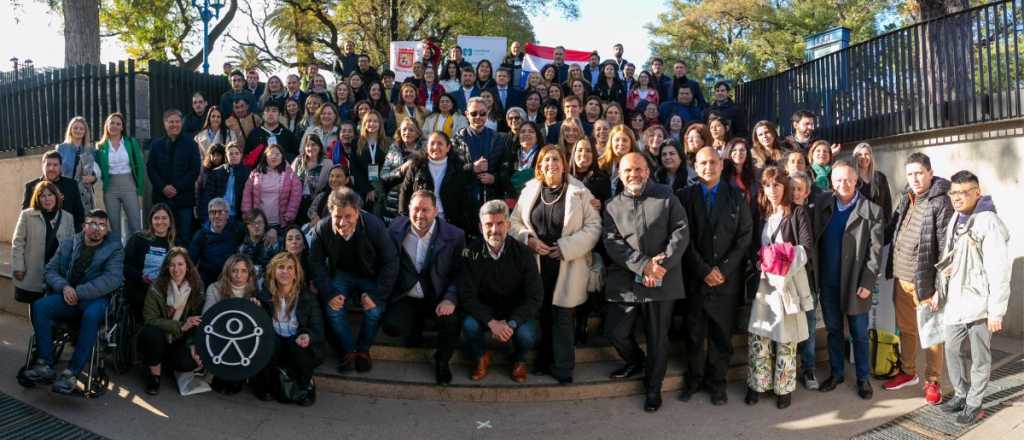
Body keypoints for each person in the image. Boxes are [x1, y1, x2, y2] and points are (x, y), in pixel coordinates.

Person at [603, 152, 690, 412]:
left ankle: (653, 389)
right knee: (615, 332)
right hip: (628, 279)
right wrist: (644, 265)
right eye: (628, 170)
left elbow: (681, 231)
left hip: (663, 279)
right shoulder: (611, 205)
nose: (634, 174)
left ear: (648, 171)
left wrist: (659, 266)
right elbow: (612, 242)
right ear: (620, 175)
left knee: (657, 338)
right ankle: (637, 361)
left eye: (639, 169)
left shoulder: (666, 196)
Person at [510, 146, 601, 383]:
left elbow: (594, 227)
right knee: (542, 314)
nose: (552, 164)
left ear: (564, 164)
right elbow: (514, 222)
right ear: (539, 165)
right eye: (546, 160)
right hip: (537, 262)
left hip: (567, 262)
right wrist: (528, 240)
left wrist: (566, 247)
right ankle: (543, 361)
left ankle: (563, 367)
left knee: (562, 316)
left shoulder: (580, 192)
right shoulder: (529, 190)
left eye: (556, 160)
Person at [677, 146, 753, 406]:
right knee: (695, 334)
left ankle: (717, 384)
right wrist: (703, 270)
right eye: (702, 163)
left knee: (722, 336)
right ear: (695, 167)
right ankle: (694, 380)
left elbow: (744, 238)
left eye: (713, 162)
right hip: (695, 278)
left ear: (722, 165)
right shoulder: (684, 197)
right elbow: (681, 238)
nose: (708, 167)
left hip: (726, 280)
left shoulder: (737, 196)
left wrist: (723, 269)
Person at [22, 210, 124, 395]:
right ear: (84, 226)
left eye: (102, 225)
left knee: (92, 315)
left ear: (107, 230)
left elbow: (112, 279)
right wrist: (64, 287)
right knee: (40, 307)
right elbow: (50, 270)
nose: (97, 229)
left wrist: (78, 292)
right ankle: (45, 363)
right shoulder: (69, 243)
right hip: (67, 296)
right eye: (92, 223)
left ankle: (72, 373)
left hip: (94, 299)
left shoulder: (114, 249)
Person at [938, 171, 1010, 425]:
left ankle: (975, 403)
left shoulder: (987, 221)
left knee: (980, 356)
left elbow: (999, 268)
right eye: (953, 193)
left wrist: (996, 312)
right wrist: (947, 273)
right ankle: (961, 393)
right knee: (952, 349)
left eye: (963, 192)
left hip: (980, 303)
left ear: (977, 193)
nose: (957, 198)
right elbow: (956, 254)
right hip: (957, 300)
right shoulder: (956, 218)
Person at [883, 152, 953, 404]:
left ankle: (933, 381)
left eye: (919, 173)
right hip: (902, 277)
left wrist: (938, 287)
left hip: (925, 281)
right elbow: (892, 229)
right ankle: (908, 371)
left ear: (930, 173)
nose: (914, 178)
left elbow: (947, 246)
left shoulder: (940, 202)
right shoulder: (906, 197)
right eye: (910, 174)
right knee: (907, 329)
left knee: (932, 333)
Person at [744, 167, 814, 409]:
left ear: (784, 186)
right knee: (759, 336)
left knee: (786, 339)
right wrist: (761, 259)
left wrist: (779, 259)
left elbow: (806, 247)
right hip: (764, 284)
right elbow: (752, 244)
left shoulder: (797, 213)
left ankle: (784, 388)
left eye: (777, 185)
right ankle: (757, 384)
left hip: (787, 283)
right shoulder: (760, 213)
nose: (772, 190)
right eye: (767, 185)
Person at [813, 161, 884, 400]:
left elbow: (874, 253)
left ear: (856, 181)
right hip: (828, 280)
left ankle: (863, 377)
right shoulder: (823, 205)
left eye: (847, 179)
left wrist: (867, 282)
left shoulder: (872, 211)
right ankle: (837, 373)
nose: (843, 184)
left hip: (855, 282)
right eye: (838, 180)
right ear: (831, 182)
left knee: (859, 332)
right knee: (833, 330)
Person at [309, 188, 399, 373]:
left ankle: (363, 351)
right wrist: (329, 292)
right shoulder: (322, 229)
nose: (343, 222)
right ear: (330, 213)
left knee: (374, 311)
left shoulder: (374, 226)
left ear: (357, 213)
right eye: (338, 216)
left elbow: (391, 262)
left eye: (348, 216)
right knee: (333, 310)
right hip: (342, 273)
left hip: (370, 275)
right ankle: (349, 350)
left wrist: (376, 294)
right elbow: (315, 263)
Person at [383, 190, 466, 384]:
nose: (420, 215)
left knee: (451, 322)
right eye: (416, 209)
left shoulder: (455, 235)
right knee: (391, 326)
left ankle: (442, 361)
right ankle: (415, 326)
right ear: (408, 210)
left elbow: (461, 273)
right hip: (407, 294)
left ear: (436, 211)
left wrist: (450, 298)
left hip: (438, 296)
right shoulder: (395, 229)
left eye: (426, 210)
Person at [459, 200, 544, 383]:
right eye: (489, 224)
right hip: (485, 312)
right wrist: (491, 322)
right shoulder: (470, 252)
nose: (494, 230)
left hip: (515, 313)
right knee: (468, 325)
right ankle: (481, 356)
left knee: (528, 335)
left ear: (509, 225)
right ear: (480, 227)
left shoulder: (524, 254)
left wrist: (512, 323)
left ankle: (519, 359)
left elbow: (535, 297)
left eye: (500, 224)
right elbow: (466, 295)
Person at [253, 252, 325, 406]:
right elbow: (258, 326)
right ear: (273, 271)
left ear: (296, 274)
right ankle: (266, 384)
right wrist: (256, 309)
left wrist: (307, 335)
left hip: (296, 343)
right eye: (281, 267)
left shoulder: (307, 296)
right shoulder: (263, 295)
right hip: (275, 343)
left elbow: (318, 329)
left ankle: (306, 385)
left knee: (300, 346)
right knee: (269, 344)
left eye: (290, 268)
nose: (285, 271)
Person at [137, 247, 204, 395]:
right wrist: (180, 326)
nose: (176, 269)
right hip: (159, 336)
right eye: (172, 265)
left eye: (180, 264)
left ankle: (165, 363)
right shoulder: (157, 287)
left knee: (188, 362)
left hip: (180, 340)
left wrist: (194, 344)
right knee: (151, 334)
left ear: (187, 266)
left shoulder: (197, 288)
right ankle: (154, 375)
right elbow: (150, 319)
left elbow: (198, 322)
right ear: (167, 267)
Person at [12, 181, 76, 304]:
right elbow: (18, 243)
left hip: (57, 273)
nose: (47, 199)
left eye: (50, 195)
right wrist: (18, 267)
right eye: (42, 196)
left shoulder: (68, 217)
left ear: (56, 197)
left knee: (52, 306)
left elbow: (72, 246)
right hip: (33, 272)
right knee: (34, 303)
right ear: (37, 198)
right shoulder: (27, 215)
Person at [451, 97, 512, 226]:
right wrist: (472, 168)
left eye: (482, 113)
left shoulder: (499, 138)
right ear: (467, 114)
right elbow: (451, 170)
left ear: (488, 114)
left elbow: (506, 167)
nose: (478, 116)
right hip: (465, 198)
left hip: (491, 197)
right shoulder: (457, 139)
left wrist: (494, 178)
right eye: (473, 113)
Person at [397, 131, 472, 231]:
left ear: (448, 147)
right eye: (432, 143)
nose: (435, 147)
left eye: (440, 143)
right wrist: (404, 217)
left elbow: (464, 198)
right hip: (421, 220)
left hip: (448, 222)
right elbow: (405, 192)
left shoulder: (457, 168)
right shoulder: (417, 165)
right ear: (427, 146)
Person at [147, 110, 201, 242]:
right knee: (161, 236)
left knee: (184, 236)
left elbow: (194, 170)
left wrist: (176, 187)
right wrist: (163, 187)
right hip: (161, 198)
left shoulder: (191, 144)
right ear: (165, 124)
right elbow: (151, 169)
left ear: (181, 123)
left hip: (184, 199)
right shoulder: (156, 145)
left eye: (177, 121)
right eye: (171, 122)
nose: (174, 125)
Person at [95, 112, 145, 242]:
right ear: (107, 125)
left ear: (122, 127)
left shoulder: (130, 142)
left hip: (129, 185)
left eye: (118, 124)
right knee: (114, 226)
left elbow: (139, 165)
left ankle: (135, 254)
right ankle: (117, 257)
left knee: (135, 224)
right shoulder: (100, 146)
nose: (115, 126)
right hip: (110, 188)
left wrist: (139, 189)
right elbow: (97, 168)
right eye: (112, 123)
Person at [123, 204, 177, 317]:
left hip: (165, 289)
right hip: (140, 288)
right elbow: (126, 266)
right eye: (156, 218)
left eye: (164, 218)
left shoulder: (175, 244)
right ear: (151, 221)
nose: (160, 222)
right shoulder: (138, 239)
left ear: (170, 221)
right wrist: (142, 278)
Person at [242, 143, 303, 229]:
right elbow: (247, 193)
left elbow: (295, 196)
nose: (274, 157)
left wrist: (290, 215)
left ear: (282, 156)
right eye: (271, 154)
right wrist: (247, 213)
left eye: (277, 154)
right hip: (258, 223)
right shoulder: (256, 173)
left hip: (280, 223)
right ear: (265, 157)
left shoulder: (291, 175)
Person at [23, 151, 86, 232]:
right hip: (39, 235)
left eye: (55, 165)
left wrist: (74, 235)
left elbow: (79, 213)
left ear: (60, 167)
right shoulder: (31, 186)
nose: (51, 168)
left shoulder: (71, 185)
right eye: (48, 165)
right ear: (42, 166)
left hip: (66, 235)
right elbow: (25, 214)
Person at [189, 198, 245, 286]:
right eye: (212, 212)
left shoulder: (237, 229)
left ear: (227, 214)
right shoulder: (201, 235)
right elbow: (190, 260)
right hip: (207, 280)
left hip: (231, 279)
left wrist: (271, 230)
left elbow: (253, 227)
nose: (216, 216)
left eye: (220, 212)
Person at [381, 119, 423, 220]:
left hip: (417, 201)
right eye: (404, 129)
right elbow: (384, 176)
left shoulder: (424, 149)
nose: (407, 133)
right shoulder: (394, 148)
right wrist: (400, 171)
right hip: (394, 201)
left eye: (411, 130)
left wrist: (415, 160)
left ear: (418, 133)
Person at [54, 117, 98, 213]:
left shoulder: (91, 151)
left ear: (85, 131)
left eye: (81, 128)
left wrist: (94, 178)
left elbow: (97, 171)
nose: (78, 130)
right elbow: (55, 170)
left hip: (84, 194)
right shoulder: (61, 148)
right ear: (70, 130)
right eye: (75, 128)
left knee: (83, 222)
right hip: (65, 192)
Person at [199, 143, 249, 224]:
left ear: (241, 155)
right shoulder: (217, 172)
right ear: (226, 156)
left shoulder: (248, 173)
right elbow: (208, 196)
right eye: (231, 154)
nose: (234, 156)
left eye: (237, 153)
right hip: (218, 214)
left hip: (237, 216)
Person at [292, 134, 333, 224]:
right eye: (307, 145)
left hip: (316, 204)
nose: (310, 148)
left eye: (314, 144)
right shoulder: (298, 161)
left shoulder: (327, 163)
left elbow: (329, 186)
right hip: (297, 203)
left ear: (319, 146)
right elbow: (290, 181)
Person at [244, 102, 299, 167]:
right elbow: (247, 157)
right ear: (262, 115)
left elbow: (296, 156)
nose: (270, 114)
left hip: (283, 173)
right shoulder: (254, 134)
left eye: (274, 111)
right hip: (259, 173)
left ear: (279, 115)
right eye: (267, 111)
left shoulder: (288, 135)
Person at [852, 142, 893, 230]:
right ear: (855, 158)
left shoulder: (880, 177)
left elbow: (887, 204)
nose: (864, 157)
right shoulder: (851, 179)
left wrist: (885, 225)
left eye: (867, 154)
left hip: (879, 227)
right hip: (859, 229)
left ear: (871, 156)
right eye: (860, 154)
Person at [238, 208, 280, 283]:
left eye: (260, 222)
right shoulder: (242, 248)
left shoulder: (274, 244)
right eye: (252, 223)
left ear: (265, 224)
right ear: (247, 226)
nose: (256, 226)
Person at [306, 164, 350, 228]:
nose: (334, 179)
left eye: (338, 176)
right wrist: (315, 217)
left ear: (347, 179)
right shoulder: (322, 195)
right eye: (331, 176)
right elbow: (310, 211)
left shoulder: (352, 199)